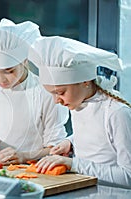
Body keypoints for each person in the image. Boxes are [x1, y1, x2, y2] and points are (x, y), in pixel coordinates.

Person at [29, 36, 131, 188]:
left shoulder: (117, 113)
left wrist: (73, 164)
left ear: (85, 81)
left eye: (60, 92)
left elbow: (128, 177)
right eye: (52, 93)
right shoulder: (78, 101)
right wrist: (70, 142)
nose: (56, 100)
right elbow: (98, 137)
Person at [0, 18, 69, 164]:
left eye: (9, 71)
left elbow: (56, 147)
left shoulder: (46, 92)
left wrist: (25, 156)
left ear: (24, 61)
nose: (1, 79)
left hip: (35, 169)